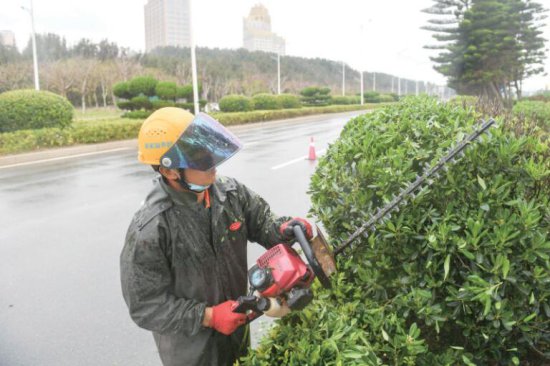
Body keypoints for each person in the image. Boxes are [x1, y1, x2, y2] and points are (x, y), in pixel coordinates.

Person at [120, 107, 313, 366]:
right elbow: (145, 305)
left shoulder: (230, 193)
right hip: (192, 351)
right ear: (169, 171)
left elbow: (263, 223)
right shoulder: (152, 229)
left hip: (236, 330)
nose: (211, 161)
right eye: (198, 156)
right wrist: (209, 316)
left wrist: (283, 229)